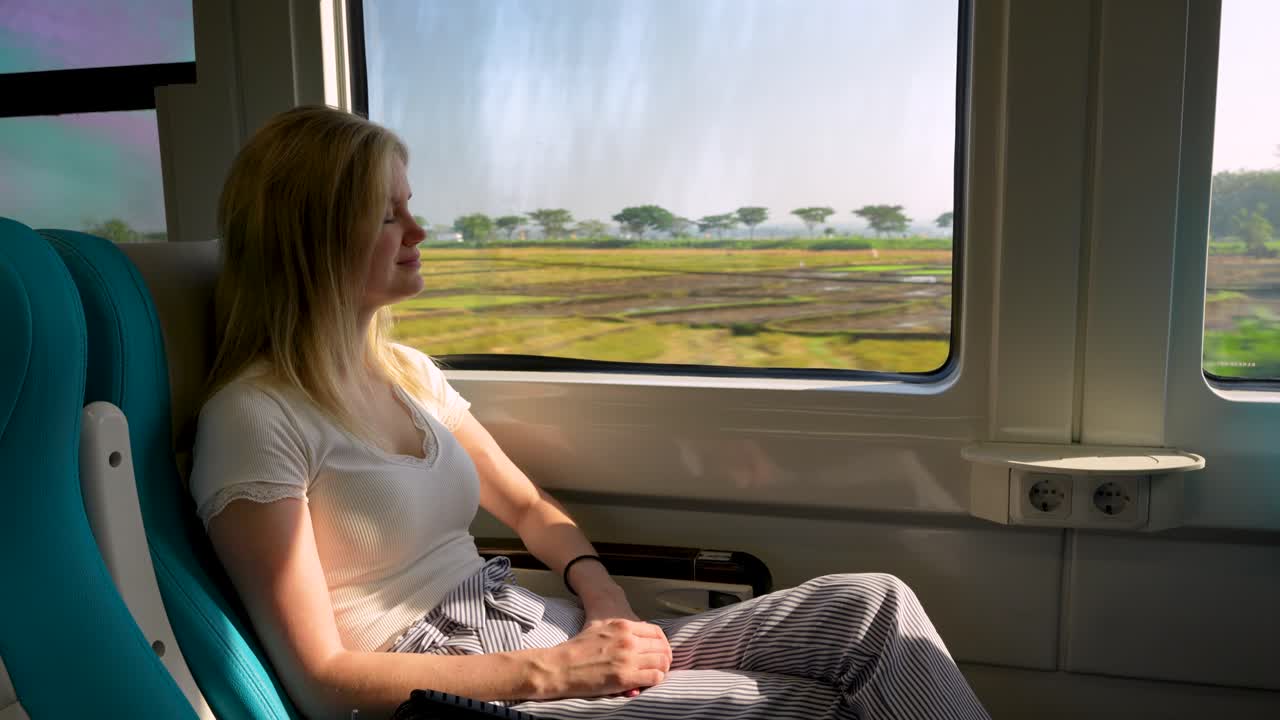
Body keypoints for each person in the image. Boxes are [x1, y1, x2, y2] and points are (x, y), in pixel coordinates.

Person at [190, 105, 990, 720]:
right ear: (315, 237)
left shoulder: (408, 375)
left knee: (871, 607)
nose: (420, 231)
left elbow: (532, 509)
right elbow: (320, 680)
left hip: (540, 621)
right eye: (388, 214)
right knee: (822, 707)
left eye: (409, 206)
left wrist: (603, 599)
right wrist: (559, 671)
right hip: (451, 691)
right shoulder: (256, 418)